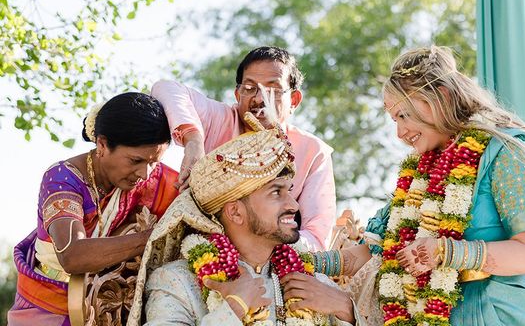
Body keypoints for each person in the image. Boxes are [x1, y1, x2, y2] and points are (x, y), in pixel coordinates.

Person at [325, 46, 525, 325]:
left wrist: (446, 252)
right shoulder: (419, 174)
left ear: (440, 96)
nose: (399, 132)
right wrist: (309, 263)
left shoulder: (507, 152)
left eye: (404, 115)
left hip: (492, 314)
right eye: (394, 120)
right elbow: (377, 253)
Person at [127, 111, 358, 326]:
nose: (293, 205)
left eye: (289, 191)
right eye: (277, 193)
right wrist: (233, 310)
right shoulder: (176, 281)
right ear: (235, 212)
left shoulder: (311, 280)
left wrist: (347, 309)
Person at [9, 92, 180, 326]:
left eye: (154, 162)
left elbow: (196, 204)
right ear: (102, 144)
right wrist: (152, 238)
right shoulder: (62, 179)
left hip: (113, 312)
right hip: (48, 310)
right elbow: (73, 255)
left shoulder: (155, 181)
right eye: (135, 161)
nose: (145, 174)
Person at [151, 46, 336, 250]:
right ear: (237, 94)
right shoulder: (220, 120)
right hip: (201, 250)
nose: (259, 98)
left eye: (272, 90)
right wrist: (193, 140)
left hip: (274, 258)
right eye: (249, 88)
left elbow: (317, 236)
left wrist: (261, 253)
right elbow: (165, 88)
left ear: (294, 100)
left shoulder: (311, 151)